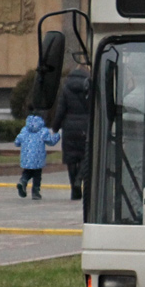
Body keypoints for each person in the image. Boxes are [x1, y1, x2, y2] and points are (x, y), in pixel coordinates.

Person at [51, 66, 91, 200]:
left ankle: (75, 190)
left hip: (69, 128)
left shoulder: (66, 88)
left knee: (71, 159)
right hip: (85, 127)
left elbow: (60, 110)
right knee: (85, 157)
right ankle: (80, 178)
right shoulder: (89, 87)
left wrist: (55, 127)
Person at [15, 114, 61, 200]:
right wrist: (57, 135)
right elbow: (51, 142)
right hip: (38, 158)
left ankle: (23, 181)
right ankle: (35, 192)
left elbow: (17, 141)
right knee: (37, 175)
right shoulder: (43, 131)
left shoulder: (24, 130)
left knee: (27, 172)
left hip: (26, 158)